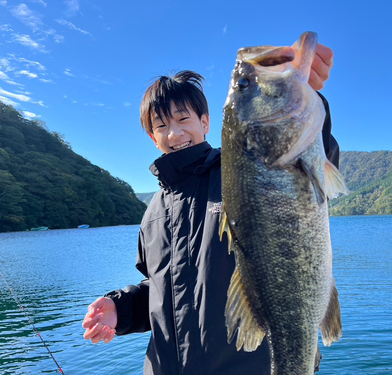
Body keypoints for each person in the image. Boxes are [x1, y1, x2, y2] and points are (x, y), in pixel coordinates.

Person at [82, 43, 338, 374]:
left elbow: (309, 165)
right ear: (151, 136)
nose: (174, 133)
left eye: (183, 118)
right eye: (161, 125)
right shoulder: (152, 215)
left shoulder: (237, 169)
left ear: (205, 122)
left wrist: (308, 97)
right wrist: (123, 309)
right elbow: (167, 293)